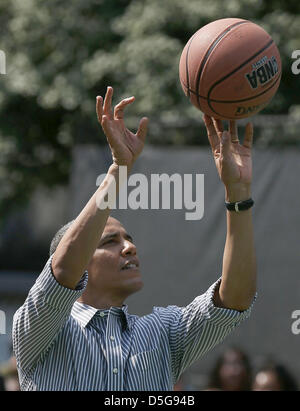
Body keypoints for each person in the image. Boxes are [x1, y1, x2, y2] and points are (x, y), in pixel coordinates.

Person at [13, 87, 257, 391]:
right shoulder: (43, 330)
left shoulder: (164, 333)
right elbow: (63, 271)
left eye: (128, 239)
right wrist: (119, 170)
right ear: (81, 260)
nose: (129, 247)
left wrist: (238, 195)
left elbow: (235, 298)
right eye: (110, 242)